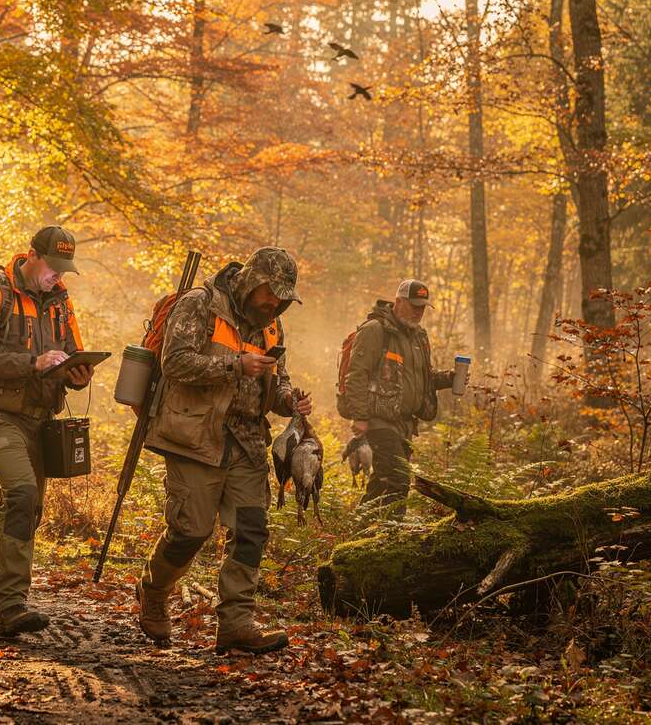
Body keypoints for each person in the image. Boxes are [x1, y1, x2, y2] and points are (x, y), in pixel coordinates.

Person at [137, 246, 309, 655]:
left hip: (247, 440)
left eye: (284, 296)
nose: (276, 302)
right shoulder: (200, 306)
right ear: (252, 281)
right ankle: (154, 590)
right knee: (190, 532)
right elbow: (175, 363)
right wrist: (235, 365)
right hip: (193, 436)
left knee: (251, 530)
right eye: (271, 292)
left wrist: (289, 401)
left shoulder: (272, 326)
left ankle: (236, 623)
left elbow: (277, 378)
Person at [0, 226, 92, 637]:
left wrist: (78, 374)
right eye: (53, 266)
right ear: (32, 255)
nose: (58, 274)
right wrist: (32, 363)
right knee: (21, 494)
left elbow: (72, 349)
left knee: (27, 511)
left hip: (41, 418)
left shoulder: (61, 300)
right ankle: (13, 605)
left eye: (63, 268)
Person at [341, 279, 454, 520]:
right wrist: (359, 416)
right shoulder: (375, 329)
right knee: (398, 480)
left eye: (422, 307)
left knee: (381, 484)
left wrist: (449, 379)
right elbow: (356, 373)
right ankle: (391, 539)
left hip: (404, 424)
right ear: (398, 301)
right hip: (378, 420)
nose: (418, 312)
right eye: (414, 306)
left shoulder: (418, 337)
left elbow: (423, 378)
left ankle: (359, 533)